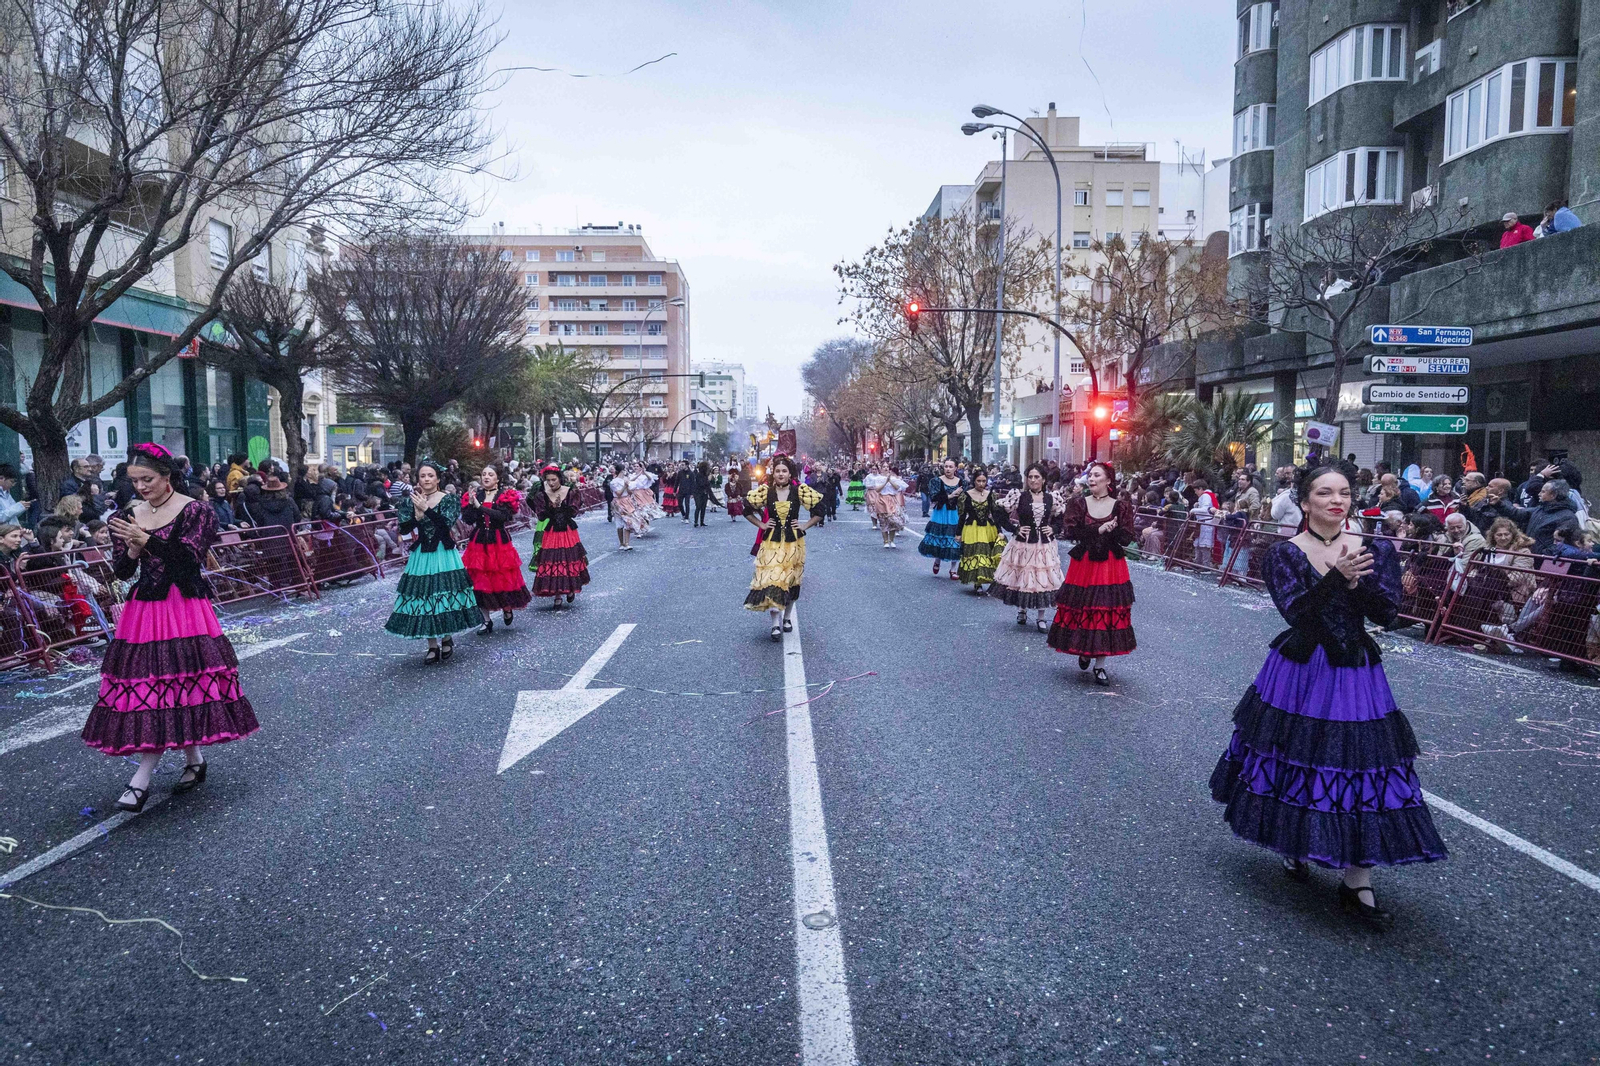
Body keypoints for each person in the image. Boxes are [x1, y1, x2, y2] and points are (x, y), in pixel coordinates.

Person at [1209, 461, 1447, 926]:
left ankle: (1359, 881)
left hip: (1355, 670)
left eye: (1343, 492)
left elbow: (1389, 613)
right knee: (1296, 757)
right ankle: (1297, 841)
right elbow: (1297, 613)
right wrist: (1337, 578)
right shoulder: (1286, 553)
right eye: (1324, 493)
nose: (1336, 500)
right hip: (1302, 668)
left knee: (1364, 766)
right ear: (1304, 502)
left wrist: (1356, 583)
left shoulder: (1373, 547)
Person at [79, 443, 259, 812]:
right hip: (146, 609)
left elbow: (190, 561)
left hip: (184, 606)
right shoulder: (129, 514)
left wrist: (150, 541)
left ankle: (141, 778)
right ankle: (193, 760)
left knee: (176, 683)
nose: (141, 487)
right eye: (135, 481)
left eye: (147, 479)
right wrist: (131, 550)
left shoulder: (196, 511)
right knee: (155, 686)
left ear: (167, 477)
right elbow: (123, 572)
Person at [1048, 461, 1136, 685]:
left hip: (1110, 565)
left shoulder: (1121, 506)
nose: (1092, 479)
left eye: (1097, 475)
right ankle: (1084, 649)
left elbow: (1127, 537)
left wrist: (1113, 530)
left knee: (1105, 610)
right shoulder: (1078, 503)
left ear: (1108, 480)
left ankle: (1100, 665)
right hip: (1085, 563)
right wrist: (1097, 529)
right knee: (1083, 607)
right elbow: (1070, 532)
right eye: (1090, 475)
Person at [384, 459, 480, 663]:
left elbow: (446, 525)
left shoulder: (449, 499)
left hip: (444, 552)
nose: (426, 479)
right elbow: (403, 528)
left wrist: (426, 510)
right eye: (422, 476)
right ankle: (432, 645)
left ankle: (446, 637)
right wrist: (416, 517)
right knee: (424, 595)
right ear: (418, 479)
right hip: (422, 554)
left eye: (430, 475)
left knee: (444, 593)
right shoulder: (411, 500)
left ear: (437, 479)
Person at [742, 455, 823, 640]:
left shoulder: (799, 491)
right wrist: (761, 525)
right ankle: (775, 624)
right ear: (773, 473)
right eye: (777, 471)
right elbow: (746, 508)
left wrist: (804, 525)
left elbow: (820, 510)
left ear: (789, 473)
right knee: (772, 580)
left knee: (792, 582)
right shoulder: (766, 492)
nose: (780, 474)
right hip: (771, 543)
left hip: (794, 544)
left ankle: (787, 618)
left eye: (784, 471)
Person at [991, 464, 1066, 631]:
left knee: (1043, 578)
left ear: (1044, 479)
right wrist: (1014, 528)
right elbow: (999, 511)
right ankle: (1022, 610)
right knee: (1023, 574)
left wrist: (1053, 528)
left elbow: (1061, 516)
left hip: (1044, 544)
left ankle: (1041, 617)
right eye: (1030, 477)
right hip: (1023, 543)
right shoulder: (1019, 496)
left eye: (1037, 477)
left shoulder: (1051, 497)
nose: (1033, 480)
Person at [460, 462, 531, 633]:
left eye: (490, 474)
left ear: (498, 478)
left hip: (498, 539)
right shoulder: (476, 494)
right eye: (484, 474)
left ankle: (506, 607)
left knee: (501, 577)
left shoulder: (504, 495)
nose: (486, 477)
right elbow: (468, 520)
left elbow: (503, 517)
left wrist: (480, 506)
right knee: (478, 580)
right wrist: (470, 505)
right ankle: (486, 620)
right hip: (479, 540)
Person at [529, 464, 590, 605]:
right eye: (548, 480)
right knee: (552, 560)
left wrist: (561, 506)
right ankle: (557, 595)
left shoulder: (570, 491)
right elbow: (541, 516)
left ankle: (570, 589)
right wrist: (551, 508)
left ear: (560, 479)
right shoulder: (541, 494)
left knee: (568, 559)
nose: (551, 483)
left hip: (567, 530)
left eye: (553, 480)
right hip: (551, 530)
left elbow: (574, 511)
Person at [954, 469, 1005, 592]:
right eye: (978, 481)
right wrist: (958, 533)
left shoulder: (991, 494)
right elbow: (962, 516)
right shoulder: (966, 495)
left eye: (983, 481)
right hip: (972, 528)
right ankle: (978, 582)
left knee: (987, 554)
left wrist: (1000, 530)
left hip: (988, 528)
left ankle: (987, 579)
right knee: (976, 554)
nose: (981, 484)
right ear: (974, 481)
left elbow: (995, 514)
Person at [919, 459, 965, 578]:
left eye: (950, 467)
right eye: (946, 466)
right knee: (940, 536)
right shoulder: (937, 481)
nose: (948, 469)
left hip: (955, 512)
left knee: (955, 538)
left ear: (955, 468)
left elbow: (966, 498)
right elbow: (934, 497)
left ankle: (953, 569)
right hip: (941, 511)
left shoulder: (961, 482)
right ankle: (937, 560)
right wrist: (951, 495)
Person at [1526, 478, 1581, 556]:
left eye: (1543, 491)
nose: (1539, 494)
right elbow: (1517, 513)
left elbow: (1563, 543)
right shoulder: (1540, 509)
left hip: (1549, 561)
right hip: (1532, 556)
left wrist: (1546, 554)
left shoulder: (1568, 517)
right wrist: (1502, 503)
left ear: (1553, 495)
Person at [866, 466, 909, 548]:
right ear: (881, 469)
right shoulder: (878, 479)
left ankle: (892, 540)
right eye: (884, 467)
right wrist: (885, 482)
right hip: (881, 500)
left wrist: (890, 480)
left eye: (887, 467)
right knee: (883, 521)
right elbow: (877, 489)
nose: (885, 468)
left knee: (893, 520)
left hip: (892, 499)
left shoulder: (894, 478)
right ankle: (885, 541)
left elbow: (898, 488)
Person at [610, 465, 643, 550]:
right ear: (621, 471)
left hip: (627, 501)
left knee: (628, 522)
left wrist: (628, 486)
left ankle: (627, 543)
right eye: (624, 470)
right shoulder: (614, 482)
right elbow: (618, 493)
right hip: (618, 502)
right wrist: (625, 486)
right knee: (619, 524)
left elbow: (630, 492)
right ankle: (621, 543)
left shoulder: (626, 479)